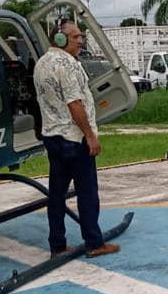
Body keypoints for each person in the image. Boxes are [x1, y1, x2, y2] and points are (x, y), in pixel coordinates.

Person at [33, 20, 120, 258]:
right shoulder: (67, 65)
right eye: (75, 37)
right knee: (87, 193)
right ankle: (94, 243)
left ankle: (57, 245)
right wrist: (90, 136)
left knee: (57, 195)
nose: (80, 41)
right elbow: (75, 104)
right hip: (74, 138)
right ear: (60, 39)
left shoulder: (41, 63)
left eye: (81, 36)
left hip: (52, 137)